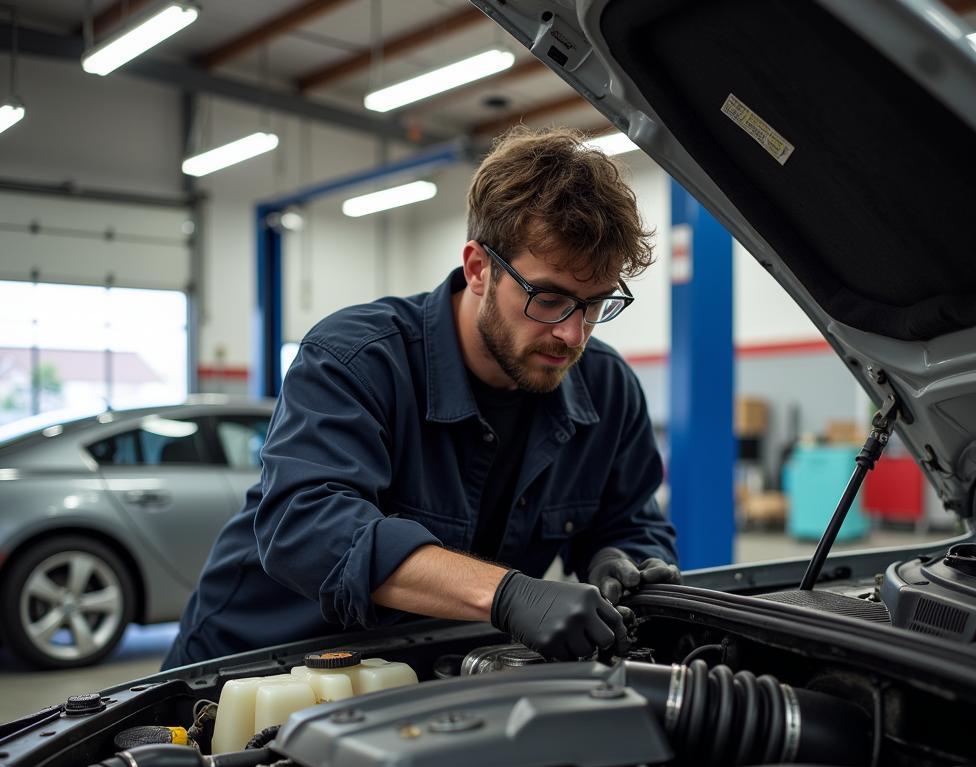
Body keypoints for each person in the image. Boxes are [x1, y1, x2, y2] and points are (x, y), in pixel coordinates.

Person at [162, 127, 681, 670]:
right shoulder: (356, 357)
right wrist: (506, 594)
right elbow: (308, 526)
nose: (573, 334)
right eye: (549, 299)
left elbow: (630, 522)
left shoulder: (606, 387)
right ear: (479, 268)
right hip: (252, 669)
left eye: (595, 304)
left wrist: (622, 560)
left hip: (425, 672)